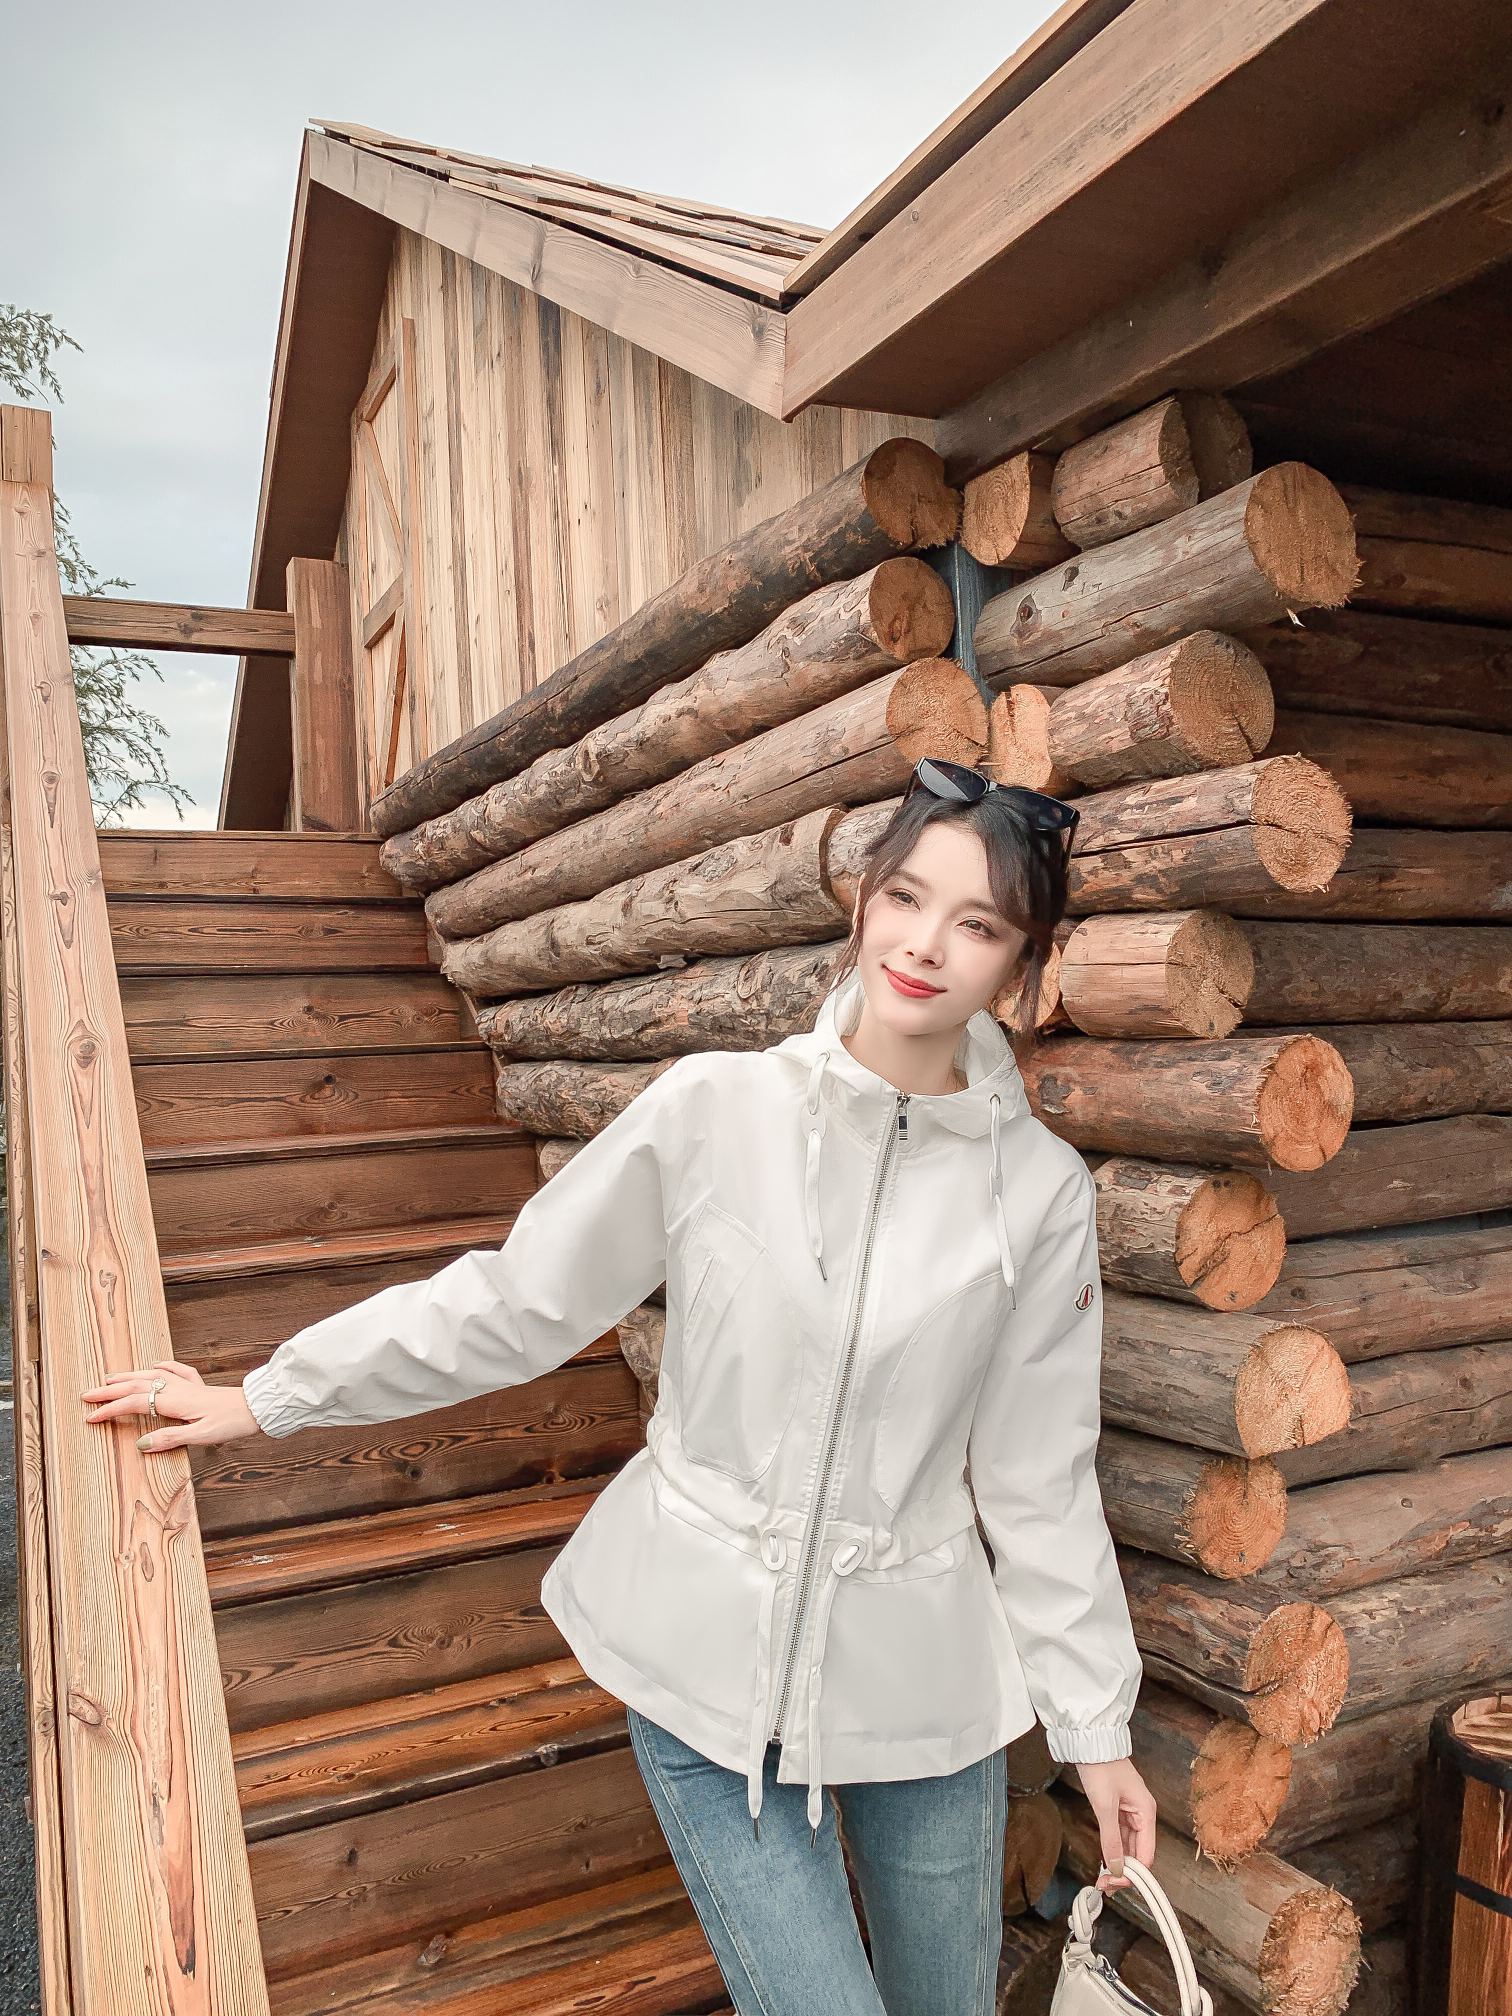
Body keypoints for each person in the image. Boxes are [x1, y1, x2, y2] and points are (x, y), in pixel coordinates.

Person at [81, 755, 1156, 2016]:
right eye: (907, 897)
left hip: (926, 1693)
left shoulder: (1039, 1194)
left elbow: (1036, 1477)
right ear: (865, 899)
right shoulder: (716, 1112)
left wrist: (1096, 1728)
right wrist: (271, 1394)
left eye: (977, 925)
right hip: (700, 1666)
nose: (924, 945)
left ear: (1021, 966)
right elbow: (518, 1300)